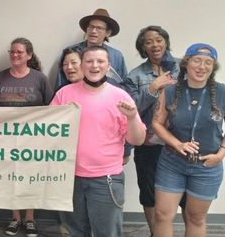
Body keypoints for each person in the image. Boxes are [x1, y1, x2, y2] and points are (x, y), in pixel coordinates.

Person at [51, 46, 145, 237]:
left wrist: (133, 117)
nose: (95, 66)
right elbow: (49, 133)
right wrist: (63, 116)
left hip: (106, 180)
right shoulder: (64, 94)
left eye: (100, 61)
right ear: (82, 65)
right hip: (69, 178)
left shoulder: (120, 96)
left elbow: (138, 139)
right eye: (89, 61)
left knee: (107, 233)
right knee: (74, 232)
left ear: (108, 66)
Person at [152, 43, 224, 237]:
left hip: (207, 166)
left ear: (213, 67)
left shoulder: (223, 92)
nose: (202, 67)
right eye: (197, 61)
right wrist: (177, 144)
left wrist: (220, 154)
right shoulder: (170, 91)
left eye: (208, 62)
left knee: (196, 218)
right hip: (172, 162)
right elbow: (157, 123)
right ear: (187, 63)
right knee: (162, 215)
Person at [123, 26, 185, 236]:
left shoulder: (183, 66)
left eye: (158, 39)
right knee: (149, 194)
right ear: (142, 47)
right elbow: (130, 109)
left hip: (181, 142)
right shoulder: (135, 75)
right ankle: (155, 233)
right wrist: (152, 88)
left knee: (186, 194)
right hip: (149, 144)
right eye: (148, 42)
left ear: (165, 41)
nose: (154, 45)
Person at [0, 38, 52, 237]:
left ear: (29, 55)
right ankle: (15, 218)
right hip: (6, 139)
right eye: (12, 52)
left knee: (30, 178)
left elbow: (51, 108)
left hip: (32, 139)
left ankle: (30, 219)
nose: (15, 55)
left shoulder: (39, 79)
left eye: (19, 52)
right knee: (11, 178)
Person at [55, 8, 127, 90]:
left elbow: (123, 85)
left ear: (108, 33)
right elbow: (60, 84)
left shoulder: (116, 56)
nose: (93, 31)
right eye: (91, 27)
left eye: (99, 28)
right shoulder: (71, 52)